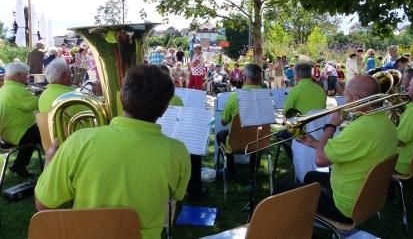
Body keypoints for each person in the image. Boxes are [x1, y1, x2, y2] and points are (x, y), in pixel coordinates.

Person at [34, 64, 191, 239]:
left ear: (122, 95)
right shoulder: (178, 152)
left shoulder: (78, 141)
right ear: (165, 108)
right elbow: (176, 196)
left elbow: (44, 206)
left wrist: (49, 162)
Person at [302, 75, 397, 222]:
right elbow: (357, 149)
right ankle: (311, 220)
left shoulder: (359, 129)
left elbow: (320, 160)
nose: (344, 102)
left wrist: (330, 126)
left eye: (346, 97)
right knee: (311, 177)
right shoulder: (387, 122)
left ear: (354, 99)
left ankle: (306, 224)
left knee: (282, 189)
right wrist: (314, 143)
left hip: (346, 206)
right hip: (371, 195)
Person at [216, 64, 263, 178]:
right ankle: (253, 171)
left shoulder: (234, 97)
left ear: (245, 78)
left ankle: (231, 171)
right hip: (259, 142)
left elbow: (223, 122)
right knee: (258, 134)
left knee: (221, 135)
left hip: (236, 143)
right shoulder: (267, 97)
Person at [278, 62, 327, 160]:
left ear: (296, 75)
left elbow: (286, 113)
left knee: (280, 135)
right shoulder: (320, 89)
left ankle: (293, 158)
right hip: (319, 129)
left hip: (302, 131)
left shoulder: (296, 90)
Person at [0, 62, 41, 177]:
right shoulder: (17, 90)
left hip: (7, 134)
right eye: (26, 75)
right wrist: (44, 95)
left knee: (36, 133)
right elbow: (37, 104)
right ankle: (53, 163)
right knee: (47, 131)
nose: (27, 77)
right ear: (18, 75)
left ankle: (19, 165)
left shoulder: (6, 88)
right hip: (17, 133)